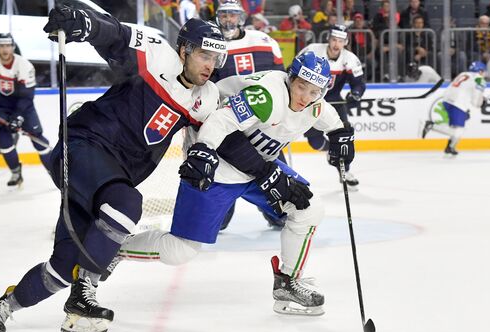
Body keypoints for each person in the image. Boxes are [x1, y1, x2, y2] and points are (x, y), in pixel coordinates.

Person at [0, 9, 227, 332]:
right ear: (184, 49)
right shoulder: (157, 55)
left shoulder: (205, 98)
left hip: (106, 179)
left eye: (216, 58)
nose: (210, 65)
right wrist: (87, 24)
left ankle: (2, 308)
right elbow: (116, 35)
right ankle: (82, 298)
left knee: (63, 267)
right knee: (127, 202)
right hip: (82, 146)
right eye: (204, 54)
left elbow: (212, 140)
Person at [118, 52, 355, 317]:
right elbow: (220, 121)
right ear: (290, 79)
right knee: (180, 250)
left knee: (309, 208)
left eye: (314, 91)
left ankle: (287, 282)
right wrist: (204, 149)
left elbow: (331, 119)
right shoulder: (267, 96)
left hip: (258, 168)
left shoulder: (315, 104)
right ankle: (117, 247)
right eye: (301, 86)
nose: (304, 97)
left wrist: (342, 135)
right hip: (219, 169)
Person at [211, 0, 286, 229]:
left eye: (232, 15)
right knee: (224, 177)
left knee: (274, 173)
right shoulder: (212, 44)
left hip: (264, 126)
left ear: (241, 17)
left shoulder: (265, 41)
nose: (228, 20)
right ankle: (218, 218)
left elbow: (283, 80)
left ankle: (278, 213)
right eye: (224, 15)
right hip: (228, 126)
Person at [0, 33, 52, 187]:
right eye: (1, 46)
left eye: (7, 45)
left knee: (38, 140)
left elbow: (27, 96)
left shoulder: (24, 65)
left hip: (23, 107)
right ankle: (16, 172)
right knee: (4, 142)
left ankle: (55, 171)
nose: (4, 49)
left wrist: (18, 116)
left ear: (13, 47)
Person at [298, 25, 365, 189]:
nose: (336, 44)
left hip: (334, 101)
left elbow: (359, 84)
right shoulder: (312, 51)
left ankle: (345, 172)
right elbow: (294, 71)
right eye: (334, 40)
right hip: (310, 101)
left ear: (346, 42)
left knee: (343, 139)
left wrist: (355, 94)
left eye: (340, 41)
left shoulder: (350, 59)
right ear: (328, 39)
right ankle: (330, 150)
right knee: (315, 142)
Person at [421, 61, 486, 155]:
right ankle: (431, 125)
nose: (484, 74)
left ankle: (450, 147)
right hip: (458, 103)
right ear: (480, 71)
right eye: (483, 71)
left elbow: (464, 88)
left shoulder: (464, 74)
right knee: (459, 130)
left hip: (447, 100)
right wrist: (482, 102)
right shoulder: (480, 79)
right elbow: (475, 102)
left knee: (460, 122)